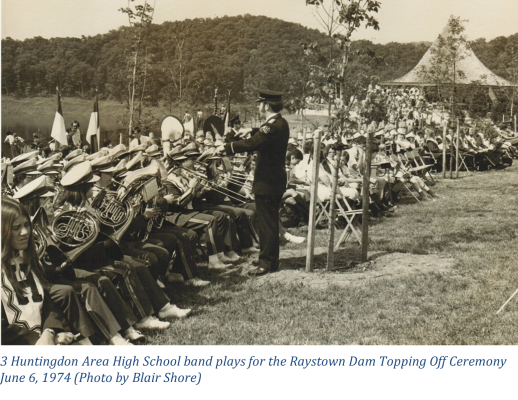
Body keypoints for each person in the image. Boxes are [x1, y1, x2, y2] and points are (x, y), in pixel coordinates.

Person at [221, 89, 290, 276]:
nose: (258, 107)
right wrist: (250, 130)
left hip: (267, 182)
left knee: (266, 224)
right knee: (270, 223)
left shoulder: (271, 127)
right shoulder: (279, 123)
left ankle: (266, 263)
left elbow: (253, 144)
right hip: (273, 181)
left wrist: (226, 147)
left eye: (260, 104)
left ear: (266, 105)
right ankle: (271, 261)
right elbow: (263, 134)